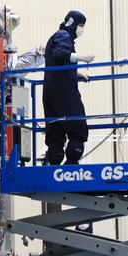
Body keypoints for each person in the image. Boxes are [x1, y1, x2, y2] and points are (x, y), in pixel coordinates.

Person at [42, 10, 94, 165]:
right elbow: (60, 54)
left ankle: (55, 163)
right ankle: (72, 162)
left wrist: (75, 73)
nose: (82, 29)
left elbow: (56, 62)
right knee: (78, 127)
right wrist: (81, 58)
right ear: (73, 22)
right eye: (81, 25)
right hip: (64, 90)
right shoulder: (63, 35)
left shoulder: (56, 36)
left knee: (55, 130)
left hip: (50, 91)